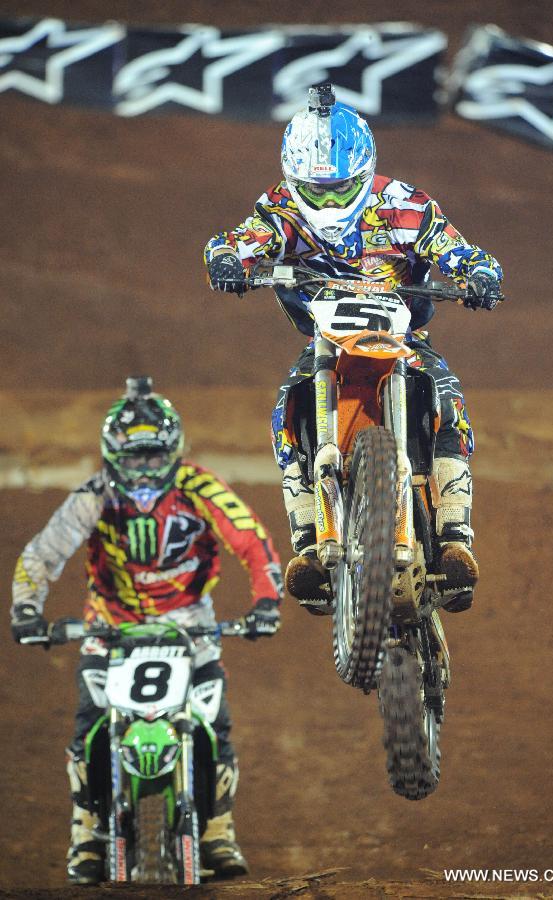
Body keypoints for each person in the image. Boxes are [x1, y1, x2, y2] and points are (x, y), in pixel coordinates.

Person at [204, 83, 503, 615]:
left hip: (402, 334)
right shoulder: (278, 209)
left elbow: (461, 250)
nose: (329, 201)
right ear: (294, 180)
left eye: (342, 188)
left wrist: (478, 273)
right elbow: (236, 240)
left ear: (365, 172)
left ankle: (455, 534)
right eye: (315, 191)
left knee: (449, 403)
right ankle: (308, 545)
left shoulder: (406, 206)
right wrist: (226, 260)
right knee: (284, 417)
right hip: (326, 339)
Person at [10, 376, 283, 884]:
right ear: (112, 456)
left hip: (190, 624)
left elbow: (251, 540)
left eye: (154, 458)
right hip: (112, 625)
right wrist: (27, 608)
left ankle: (218, 829)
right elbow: (43, 553)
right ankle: (86, 830)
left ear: (174, 452)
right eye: (133, 460)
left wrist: (267, 600)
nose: (143, 471)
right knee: (89, 722)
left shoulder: (201, 488)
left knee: (213, 721)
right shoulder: (93, 496)